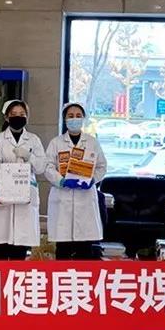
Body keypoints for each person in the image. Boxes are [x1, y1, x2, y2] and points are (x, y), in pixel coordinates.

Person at [0, 100, 46, 261]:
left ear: (27, 117)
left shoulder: (33, 140)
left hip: (25, 195)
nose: (18, 117)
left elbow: (41, 168)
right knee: (1, 245)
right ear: (6, 117)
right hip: (3, 195)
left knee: (20, 247)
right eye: (13, 114)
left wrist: (29, 156)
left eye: (22, 114)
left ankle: (16, 276)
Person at [45, 103, 108, 259]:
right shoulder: (56, 143)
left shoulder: (92, 142)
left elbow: (102, 166)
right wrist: (61, 181)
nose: (75, 119)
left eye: (78, 116)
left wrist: (93, 180)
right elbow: (47, 167)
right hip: (62, 198)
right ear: (65, 119)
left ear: (83, 118)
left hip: (85, 198)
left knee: (84, 250)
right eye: (71, 116)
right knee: (63, 249)